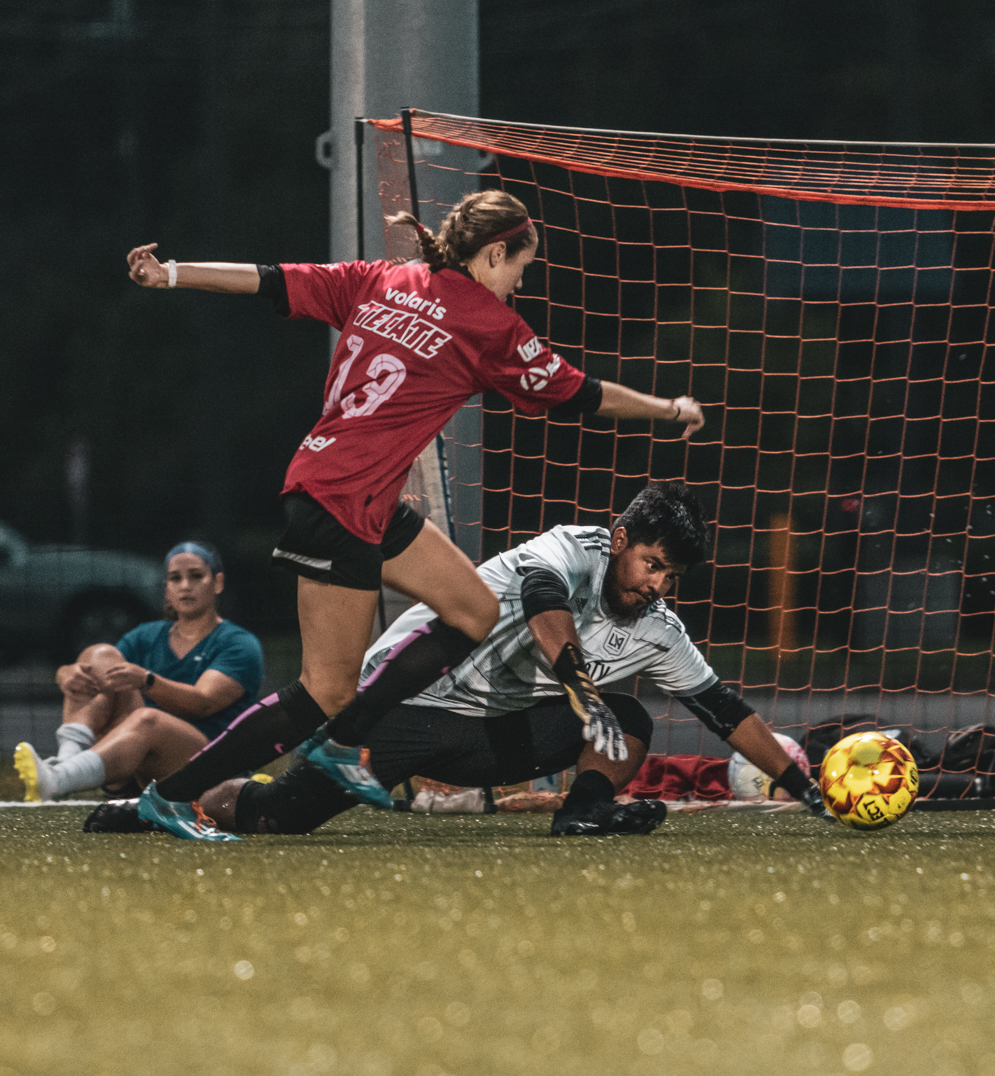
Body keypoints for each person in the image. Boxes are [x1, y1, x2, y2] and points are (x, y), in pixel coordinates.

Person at [123, 191, 705, 840]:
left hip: (358, 494)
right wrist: (669, 410)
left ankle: (345, 741)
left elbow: (267, 279)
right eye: (521, 267)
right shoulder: (489, 324)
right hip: (342, 501)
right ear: (495, 254)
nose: (520, 282)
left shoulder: (382, 277)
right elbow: (583, 395)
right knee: (322, 692)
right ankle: (173, 796)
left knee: (476, 610)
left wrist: (169, 274)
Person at [87, 483, 828, 837]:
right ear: (621, 537)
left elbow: (724, 710)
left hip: (491, 736)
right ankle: (177, 801)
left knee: (630, 718)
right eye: (652, 564)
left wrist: (803, 787)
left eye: (672, 576)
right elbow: (543, 601)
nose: (658, 584)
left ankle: (583, 814)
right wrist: (577, 682)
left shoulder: (659, 627)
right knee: (279, 816)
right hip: (406, 705)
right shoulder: (571, 549)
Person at [14, 542, 264, 803]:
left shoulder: (239, 643)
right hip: (140, 769)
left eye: (196, 576)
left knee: (148, 719)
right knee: (99, 655)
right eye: (175, 578)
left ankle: (58, 779)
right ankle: (65, 760)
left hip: (208, 773)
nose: (185, 586)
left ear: (218, 583)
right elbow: (99, 670)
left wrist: (147, 681)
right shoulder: (147, 635)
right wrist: (65, 674)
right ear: (166, 588)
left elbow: (202, 702)